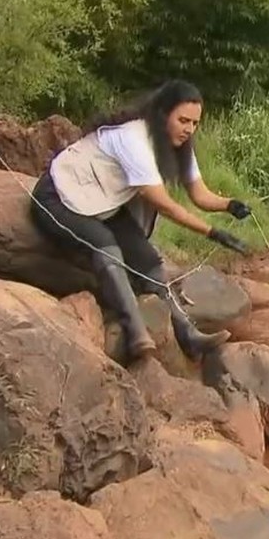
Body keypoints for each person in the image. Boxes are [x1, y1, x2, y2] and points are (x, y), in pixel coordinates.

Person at [30, 79, 252, 363]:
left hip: (102, 204)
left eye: (195, 123)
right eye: (183, 120)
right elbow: (162, 203)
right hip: (59, 196)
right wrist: (212, 232)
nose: (189, 129)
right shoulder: (133, 139)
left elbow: (199, 193)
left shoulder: (178, 145)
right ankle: (136, 333)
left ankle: (189, 336)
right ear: (162, 114)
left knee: (148, 261)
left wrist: (229, 205)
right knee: (105, 246)